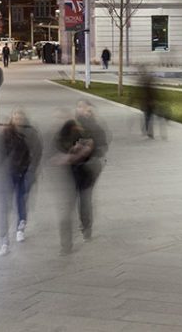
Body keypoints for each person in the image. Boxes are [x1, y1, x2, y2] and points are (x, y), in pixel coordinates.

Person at [54, 101, 109, 254]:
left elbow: (103, 147)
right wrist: (71, 148)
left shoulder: (96, 127)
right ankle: (66, 245)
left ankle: (86, 228)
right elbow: (58, 142)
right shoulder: (70, 125)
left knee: (84, 200)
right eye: (79, 106)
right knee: (68, 206)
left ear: (91, 110)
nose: (82, 109)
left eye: (85, 107)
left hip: (88, 170)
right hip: (71, 171)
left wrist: (90, 150)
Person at [0, 109, 42, 256]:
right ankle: (4, 241)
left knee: (21, 200)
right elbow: (1, 152)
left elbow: (37, 152)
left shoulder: (31, 133)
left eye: (20, 117)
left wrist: (32, 169)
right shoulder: (7, 133)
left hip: (25, 172)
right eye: (15, 117)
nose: (17, 120)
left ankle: (20, 227)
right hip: (10, 173)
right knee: (6, 206)